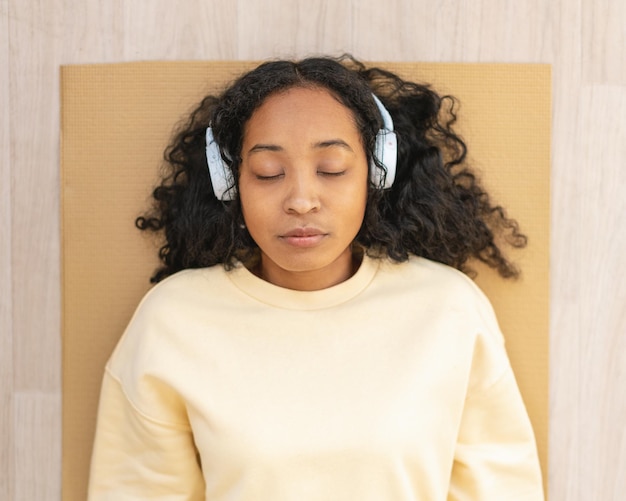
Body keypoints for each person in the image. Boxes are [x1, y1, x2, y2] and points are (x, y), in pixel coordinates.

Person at [88, 55, 544, 500]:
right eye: (268, 173)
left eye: (331, 169)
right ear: (231, 182)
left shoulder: (450, 309)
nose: (301, 200)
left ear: (375, 174)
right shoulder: (173, 320)